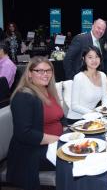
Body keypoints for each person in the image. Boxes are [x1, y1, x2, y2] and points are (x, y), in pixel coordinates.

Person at [6, 56, 63, 190]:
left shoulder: (48, 90)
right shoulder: (23, 96)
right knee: (77, 157)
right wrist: (59, 140)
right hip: (30, 153)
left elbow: (59, 117)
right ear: (30, 74)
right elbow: (24, 134)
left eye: (48, 70)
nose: (45, 74)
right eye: (40, 71)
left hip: (50, 145)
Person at [66, 46, 107, 122]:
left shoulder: (103, 75)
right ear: (83, 59)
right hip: (77, 119)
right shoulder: (79, 77)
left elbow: (105, 98)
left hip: (93, 117)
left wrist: (104, 110)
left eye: (97, 57)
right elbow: (74, 106)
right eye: (90, 57)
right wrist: (94, 113)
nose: (94, 60)